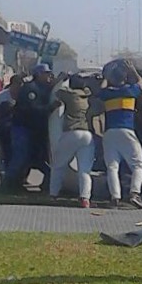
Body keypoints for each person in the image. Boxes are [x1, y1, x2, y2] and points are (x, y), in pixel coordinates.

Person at [97, 59, 142, 209]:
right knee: (138, 164)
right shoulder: (130, 90)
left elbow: (101, 89)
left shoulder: (107, 93)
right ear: (125, 78)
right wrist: (133, 70)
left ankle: (115, 197)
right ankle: (134, 194)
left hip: (109, 133)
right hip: (126, 131)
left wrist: (106, 77)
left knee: (112, 166)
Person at [3, 64, 54, 193]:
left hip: (33, 130)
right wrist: (50, 108)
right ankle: (7, 184)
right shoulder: (30, 88)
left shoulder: (42, 87)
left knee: (33, 158)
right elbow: (32, 109)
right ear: (38, 74)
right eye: (46, 73)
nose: (48, 76)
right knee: (20, 157)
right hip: (23, 128)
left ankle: (17, 184)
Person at [49, 73, 96, 208]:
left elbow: (57, 92)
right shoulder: (87, 96)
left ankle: (53, 194)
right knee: (84, 170)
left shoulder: (70, 95)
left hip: (71, 132)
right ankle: (85, 198)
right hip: (87, 134)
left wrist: (63, 78)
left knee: (58, 165)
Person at [0, 74, 23, 183]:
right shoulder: (1, 96)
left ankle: (17, 179)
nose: (19, 88)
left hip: (16, 129)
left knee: (15, 155)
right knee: (1, 155)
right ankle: (3, 178)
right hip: (2, 129)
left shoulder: (22, 96)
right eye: (17, 85)